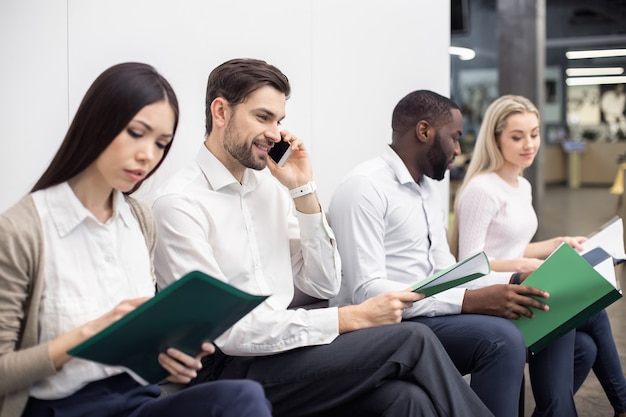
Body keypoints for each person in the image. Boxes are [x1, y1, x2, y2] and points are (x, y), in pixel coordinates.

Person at [151, 58, 494, 417]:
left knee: (407, 400)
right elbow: (228, 332)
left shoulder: (269, 190)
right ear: (221, 112)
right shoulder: (179, 203)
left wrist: (303, 190)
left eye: (279, 121)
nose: (274, 133)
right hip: (225, 368)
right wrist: (350, 318)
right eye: (263, 117)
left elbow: (324, 282)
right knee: (414, 339)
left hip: (282, 352)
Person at [0, 62, 272, 417]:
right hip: (59, 409)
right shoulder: (22, 230)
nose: (148, 155)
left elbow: (141, 349)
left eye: (161, 143)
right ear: (97, 124)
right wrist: (88, 335)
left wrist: (171, 359)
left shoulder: (140, 220)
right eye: (135, 133)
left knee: (242, 398)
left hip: (136, 402)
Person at [327, 89, 555, 417]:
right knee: (501, 339)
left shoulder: (428, 189)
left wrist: (513, 279)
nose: (459, 150)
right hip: (383, 326)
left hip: (427, 314)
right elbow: (366, 292)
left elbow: (446, 270)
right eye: (455, 138)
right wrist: (469, 301)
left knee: (531, 315)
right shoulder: (364, 187)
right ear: (424, 132)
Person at [453, 94, 626, 417]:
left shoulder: (521, 184)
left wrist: (558, 243)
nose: (529, 144)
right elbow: (470, 267)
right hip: (497, 299)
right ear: (495, 138)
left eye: (534, 133)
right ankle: (623, 404)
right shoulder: (481, 190)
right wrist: (525, 265)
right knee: (591, 305)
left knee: (585, 349)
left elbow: (510, 246)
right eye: (517, 137)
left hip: (521, 287)